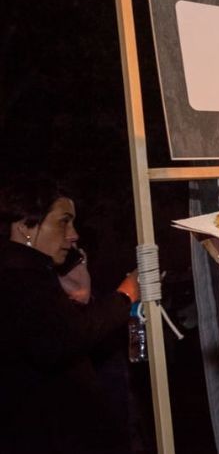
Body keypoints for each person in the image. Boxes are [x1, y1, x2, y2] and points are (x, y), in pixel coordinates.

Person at [0, 178, 140, 454]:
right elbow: (59, 339)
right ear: (25, 226)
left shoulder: (33, 274)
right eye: (64, 222)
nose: (73, 234)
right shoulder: (18, 279)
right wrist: (123, 297)